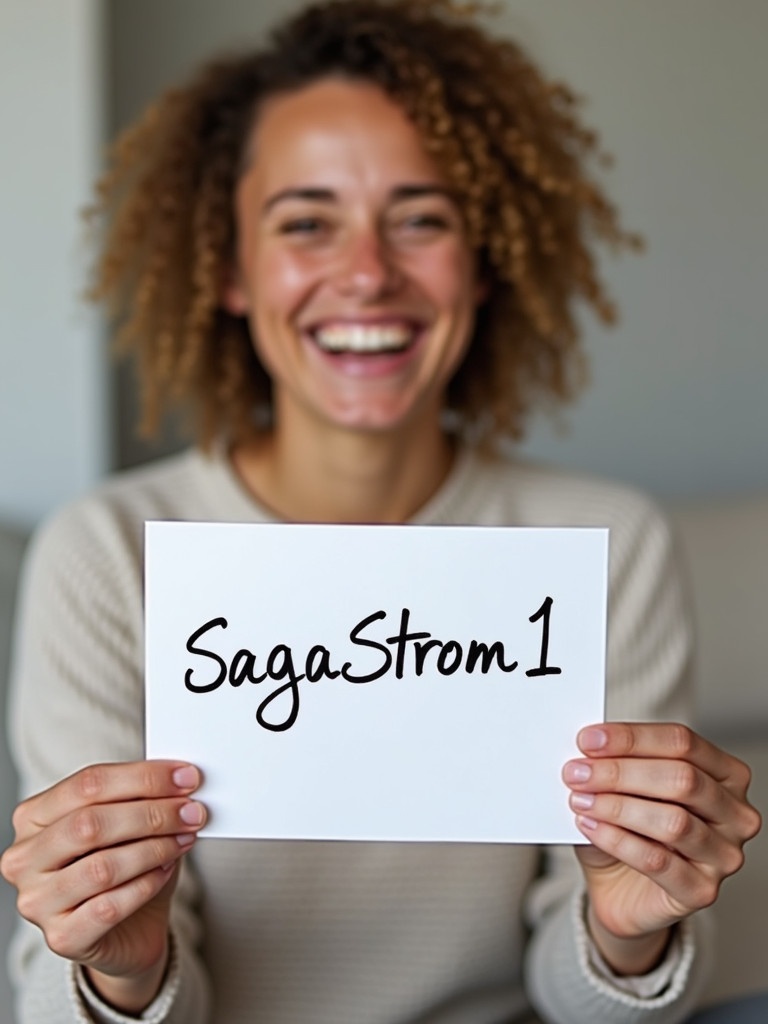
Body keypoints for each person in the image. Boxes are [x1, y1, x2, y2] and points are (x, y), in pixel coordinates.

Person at [0, 1, 761, 1022]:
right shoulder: (103, 554)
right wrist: (121, 968)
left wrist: (628, 933)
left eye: (422, 217)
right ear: (227, 267)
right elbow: (54, 1001)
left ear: (483, 259)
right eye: (307, 221)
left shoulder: (605, 544)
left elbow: (598, 993)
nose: (366, 273)